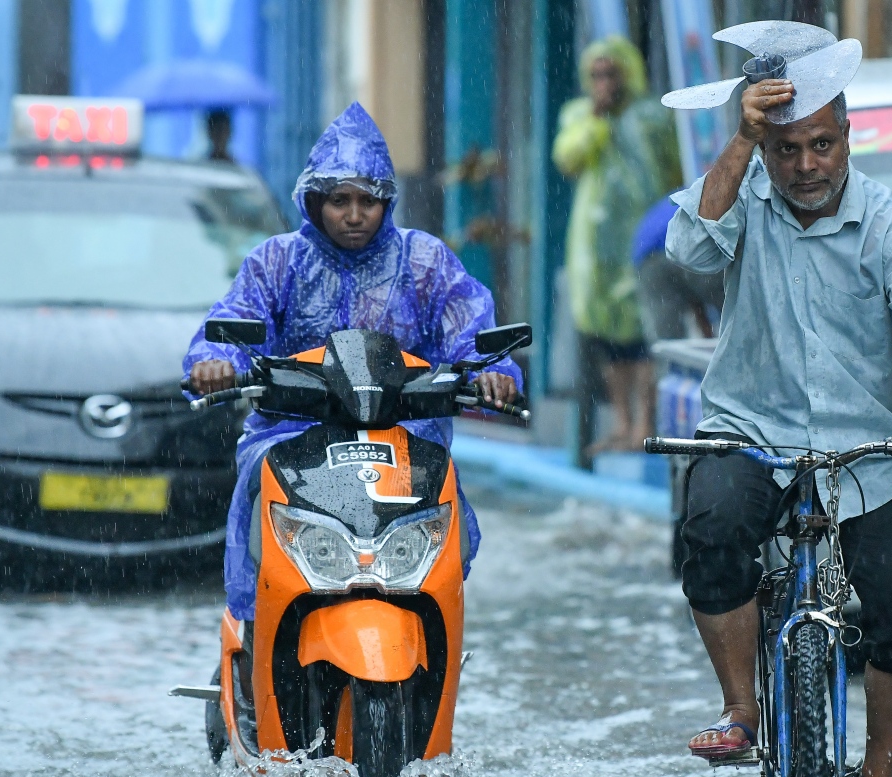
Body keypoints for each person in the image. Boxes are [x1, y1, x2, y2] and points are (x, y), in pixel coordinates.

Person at [665, 78, 892, 777]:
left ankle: (880, 775)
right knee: (710, 528)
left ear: (847, 137)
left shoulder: (891, 222)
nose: (805, 165)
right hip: (749, 427)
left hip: (864, 442)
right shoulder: (746, 197)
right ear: (766, 150)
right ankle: (741, 708)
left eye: (821, 145)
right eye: (786, 148)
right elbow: (688, 246)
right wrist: (739, 141)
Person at [184, 103, 519, 626]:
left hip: (405, 438)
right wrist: (214, 360)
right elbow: (232, 318)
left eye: (367, 200)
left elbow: (468, 323)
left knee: (450, 528)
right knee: (255, 498)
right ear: (314, 201)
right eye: (340, 200)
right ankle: (255, 631)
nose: (354, 213)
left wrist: (489, 371)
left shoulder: (425, 260)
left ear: (387, 201)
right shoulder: (277, 260)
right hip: (290, 435)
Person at [553, 36, 681, 454]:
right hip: (596, 244)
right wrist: (596, 117)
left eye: (611, 74)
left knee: (644, 334)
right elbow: (567, 159)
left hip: (643, 236)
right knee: (606, 336)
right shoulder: (580, 115)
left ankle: (644, 424)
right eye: (595, 75)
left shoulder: (652, 118)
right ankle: (622, 423)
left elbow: (674, 167)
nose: (603, 82)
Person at [632, 198, 722, 343]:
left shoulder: (688, 194)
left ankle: (675, 363)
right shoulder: (718, 191)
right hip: (680, 244)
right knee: (735, 306)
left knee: (668, 339)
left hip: (648, 257)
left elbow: (693, 295)